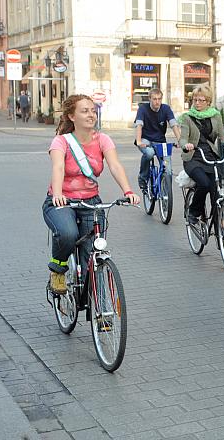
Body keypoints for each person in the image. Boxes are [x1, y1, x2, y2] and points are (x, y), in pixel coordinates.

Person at [43, 94, 140, 295]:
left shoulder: (103, 139)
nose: (91, 115)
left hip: (90, 202)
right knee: (68, 234)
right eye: (84, 111)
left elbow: (115, 165)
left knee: (93, 257)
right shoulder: (61, 142)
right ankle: (58, 269)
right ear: (71, 116)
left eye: (93, 111)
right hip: (61, 201)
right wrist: (58, 193)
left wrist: (128, 191)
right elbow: (58, 167)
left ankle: (99, 309)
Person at [179, 85, 224, 224]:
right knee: (204, 184)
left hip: (210, 157)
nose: (197, 103)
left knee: (216, 191)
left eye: (201, 100)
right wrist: (185, 145)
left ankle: (220, 227)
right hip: (193, 157)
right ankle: (193, 212)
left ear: (208, 101)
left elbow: (222, 136)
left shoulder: (215, 115)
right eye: (195, 100)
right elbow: (182, 138)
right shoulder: (187, 117)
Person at [134, 87, 180, 190]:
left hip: (160, 141)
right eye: (154, 99)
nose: (157, 102)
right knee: (149, 153)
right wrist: (139, 141)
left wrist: (180, 140)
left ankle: (166, 193)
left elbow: (173, 124)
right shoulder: (143, 109)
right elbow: (139, 125)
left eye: (159, 99)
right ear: (149, 99)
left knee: (168, 170)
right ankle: (143, 177)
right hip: (146, 140)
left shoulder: (166, 109)